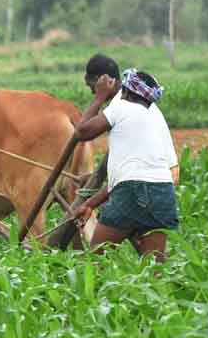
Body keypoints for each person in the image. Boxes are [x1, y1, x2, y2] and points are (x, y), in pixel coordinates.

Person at [72, 69, 178, 261]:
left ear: (126, 92)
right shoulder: (155, 119)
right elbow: (126, 177)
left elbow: (81, 132)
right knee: (154, 268)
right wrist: (89, 204)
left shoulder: (121, 107)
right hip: (163, 194)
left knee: (96, 261)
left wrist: (99, 97)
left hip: (131, 192)